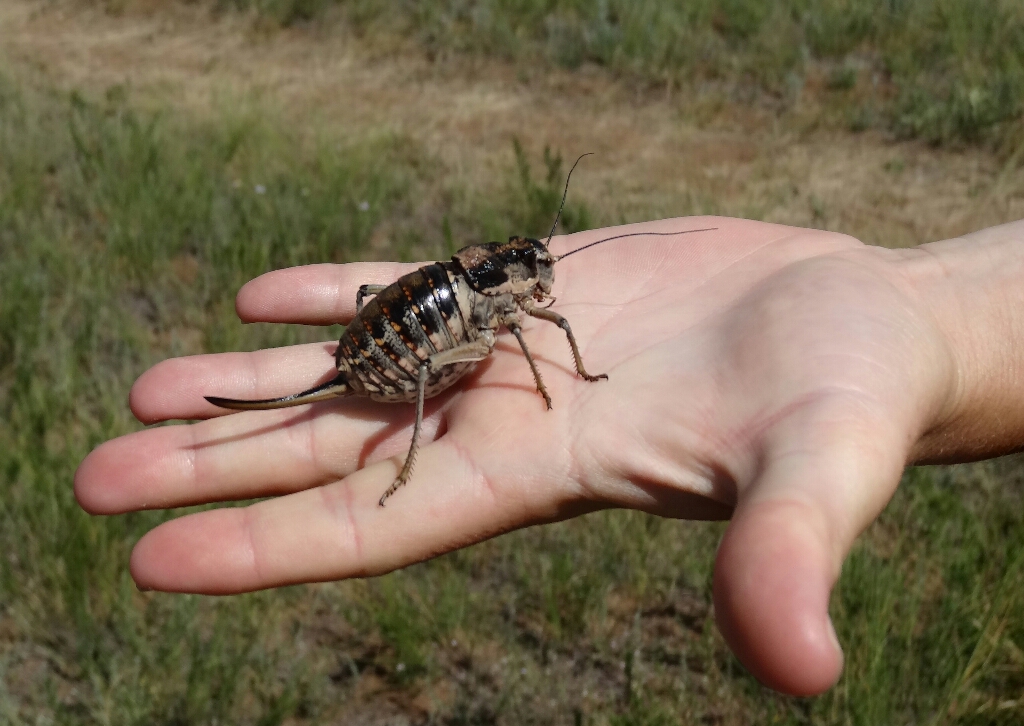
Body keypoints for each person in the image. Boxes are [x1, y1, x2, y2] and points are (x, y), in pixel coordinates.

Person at [73, 216, 1024, 697]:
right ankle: (399, 454)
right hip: (394, 349)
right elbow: (529, 330)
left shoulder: (498, 280)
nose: (540, 282)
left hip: (416, 312)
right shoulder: (498, 307)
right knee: (498, 346)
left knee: (514, 336)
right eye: (530, 271)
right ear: (506, 270)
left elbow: (530, 312)